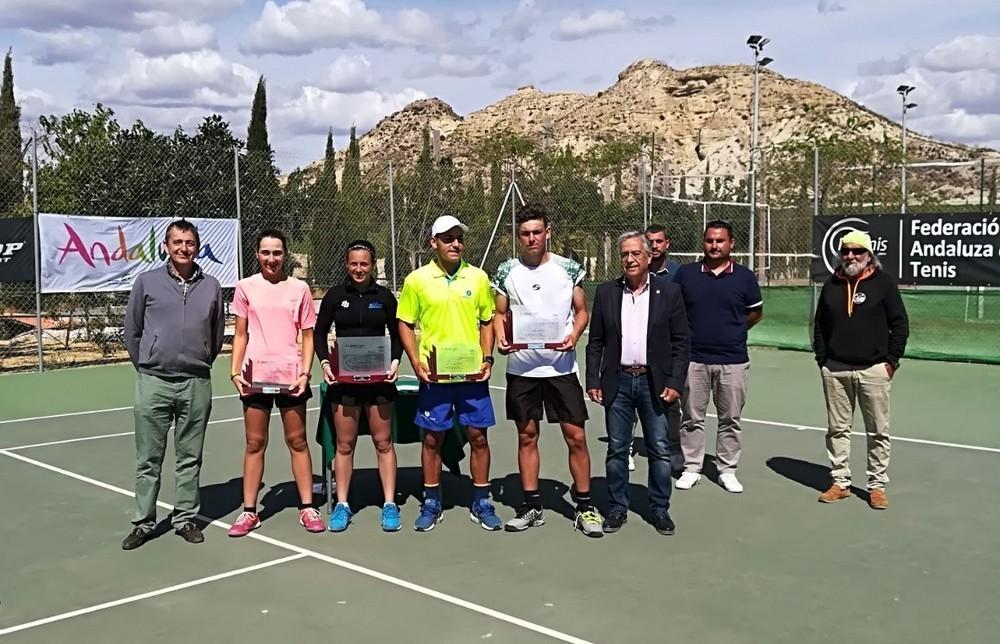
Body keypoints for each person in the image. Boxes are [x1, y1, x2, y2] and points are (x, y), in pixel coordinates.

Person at [492, 203, 603, 537]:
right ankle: (531, 506)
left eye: (537, 232)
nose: (531, 238)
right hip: (522, 371)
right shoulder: (506, 270)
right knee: (527, 436)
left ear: (547, 232)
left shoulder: (569, 269)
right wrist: (500, 336)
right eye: (525, 233)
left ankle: (585, 506)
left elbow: (582, 311)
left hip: (561, 368)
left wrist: (575, 335)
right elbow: (499, 315)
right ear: (518, 235)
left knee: (577, 437)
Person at [121, 220, 225, 550]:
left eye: (190, 243)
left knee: (189, 456)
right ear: (166, 246)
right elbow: (132, 330)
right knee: (148, 458)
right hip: (153, 381)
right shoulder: (147, 282)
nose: (183, 248)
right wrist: (148, 364)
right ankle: (143, 522)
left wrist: (199, 359)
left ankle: (184, 518)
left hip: (196, 382)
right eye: (177, 242)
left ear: (197, 247)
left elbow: (217, 335)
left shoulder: (211, 286)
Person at [397, 214, 502, 532]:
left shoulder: (478, 278)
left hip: (471, 376)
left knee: (478, 437)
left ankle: (481, 500)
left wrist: (487, 358)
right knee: (431, 438)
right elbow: (405, 322)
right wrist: (416, 363)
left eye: (459, 237)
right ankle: (431, 500)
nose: (455, 243)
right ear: (434, 242)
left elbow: (487, 320)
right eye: (447, 238)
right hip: (435, 378)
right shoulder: (416, 280)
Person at [586, 231, 690, 536]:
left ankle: (659, 508)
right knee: (617, 448)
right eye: (624, 254)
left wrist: (675, 381)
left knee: (659, 448)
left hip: (654, 383)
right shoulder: (606, 293)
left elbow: (682, 343)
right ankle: (617, 506)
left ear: (648, 257)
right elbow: (595, 343)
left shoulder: (668, 293)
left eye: (635, 254)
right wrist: (594, 379)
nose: (629, 259)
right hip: (617, 382)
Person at [228, 229, 324, 536]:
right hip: (255, 376)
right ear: (257, 254)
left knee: (297, 441)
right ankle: (249, 512)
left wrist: (304, 373)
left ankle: (307, 507)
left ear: (286, 255)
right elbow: (240, 334)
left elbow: (308, 335)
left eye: (277, 253)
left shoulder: (300, 289)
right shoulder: (245, 288)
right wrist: (235, 372)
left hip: (290, 377)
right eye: (266, 252)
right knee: (255, 443)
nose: (272, 258)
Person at [813, 230, 908, 510]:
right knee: (837, 429)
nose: (850, 256)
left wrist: (891, 361)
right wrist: (823, 360)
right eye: (846, 251)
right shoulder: (832, 284)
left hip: (874, 370)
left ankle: (876, 486)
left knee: (877, 430)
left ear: (869, 256)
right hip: (836, 370)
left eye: (857, 251)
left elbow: (899, 324)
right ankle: (840, 482)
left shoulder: (884, 283)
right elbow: (819, 325)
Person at [314, 240, 403, 532]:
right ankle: (342, 504)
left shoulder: (385, 296)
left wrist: (394, 361)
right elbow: (319, 334)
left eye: (364, 263)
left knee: (383, 443)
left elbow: (398, 333)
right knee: (344, 444)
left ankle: (390, 504)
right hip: (345, 384)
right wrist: (326, 364)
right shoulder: (335, 296)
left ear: (373, 264)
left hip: (379, 383)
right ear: (346, 264)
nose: (358, 269)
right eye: (353, 263)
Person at [672, 220, 764, 494]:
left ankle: (727, 469)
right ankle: (692, 467)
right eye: (710, 240)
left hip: (732, 360)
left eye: (720, 241)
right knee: (691, 416)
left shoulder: (745, 277)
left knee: (731, 418)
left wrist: (733, 331)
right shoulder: (686, 275)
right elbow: (675, 312)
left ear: (731, 243)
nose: (714, 245)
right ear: (704, 243)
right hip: (694, 359)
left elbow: (755, 313)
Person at [630, 224, 683, 474]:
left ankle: (673, 449)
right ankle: (627, 448)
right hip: (635, 354)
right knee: (629, 401)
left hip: (667, 354)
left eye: (659, 241)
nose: (654, 245)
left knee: (670, 403)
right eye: (649, 241)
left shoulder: (678, 274)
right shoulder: (631, 273)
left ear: (666, 244)